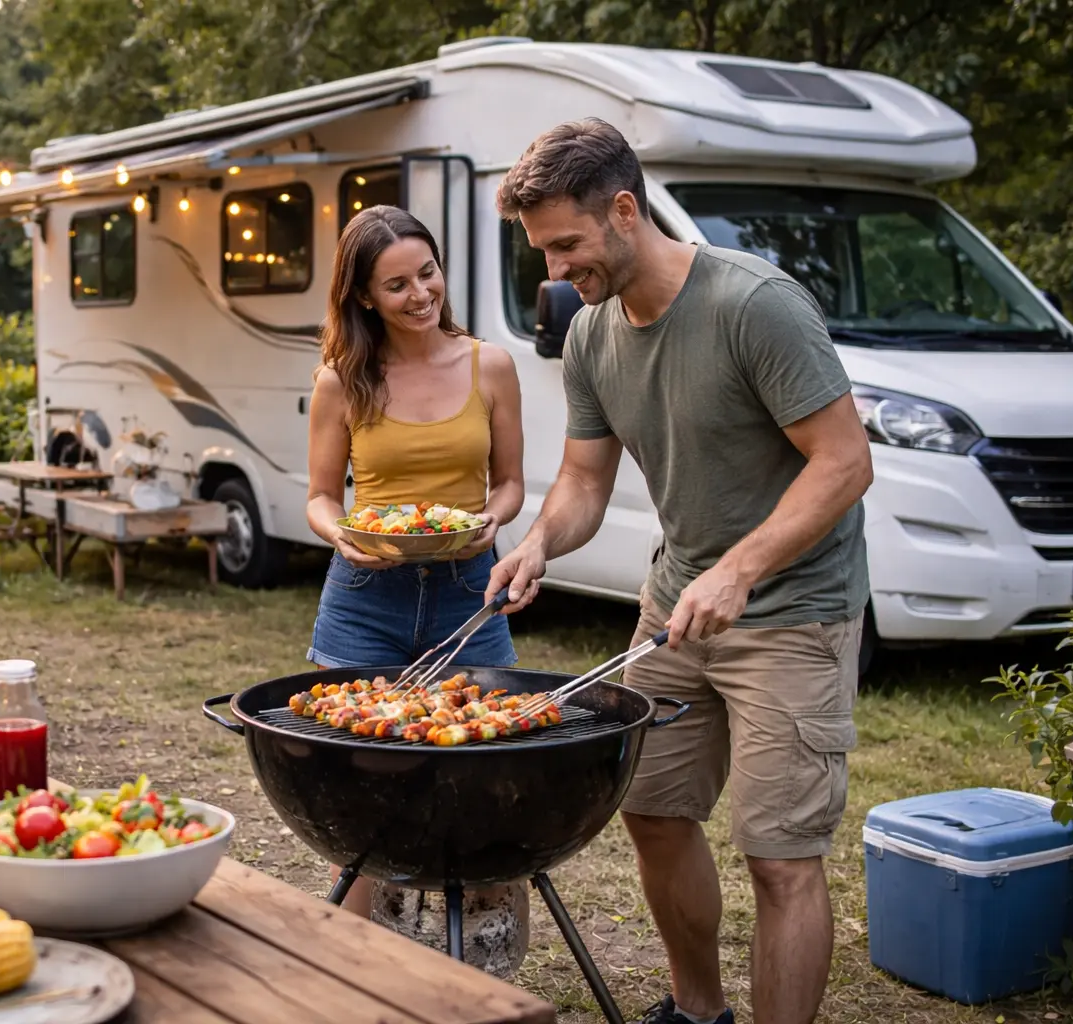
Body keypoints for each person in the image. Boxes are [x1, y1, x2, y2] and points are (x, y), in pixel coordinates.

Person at [487, 120, 873, 1024]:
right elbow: (585, 482)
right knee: (652, 811)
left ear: (624, 211)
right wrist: (541, 542)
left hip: (791, 611)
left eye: (566, 244)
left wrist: (740, 571)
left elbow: (844, 462)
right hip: (676, 604)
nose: (554, 271)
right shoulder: (590, 335)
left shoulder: (753, 304)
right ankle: (698, 1013)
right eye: (542, 249)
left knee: (779, 856)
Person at [304, 204, 527, 960]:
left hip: (469, 591)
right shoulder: (343, 378)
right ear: (364, 296)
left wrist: (491, 522)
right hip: (365, 596)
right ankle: (359, 967)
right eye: (396, 284)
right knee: (357, 789)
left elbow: (511, 484)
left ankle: (487, 968)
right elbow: (320, 498)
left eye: (426, 273)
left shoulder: (489, 364)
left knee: (487, 780)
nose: (420, 293)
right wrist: (343, 536)